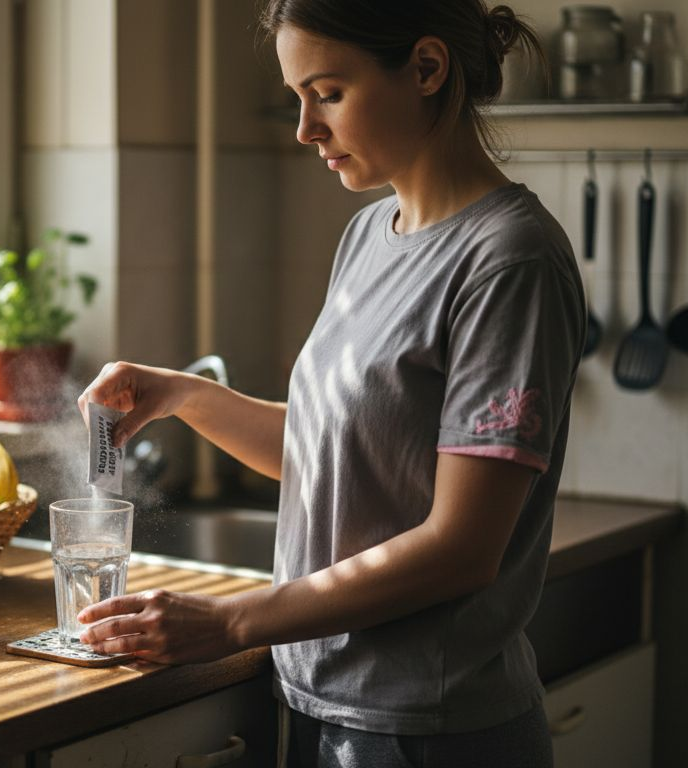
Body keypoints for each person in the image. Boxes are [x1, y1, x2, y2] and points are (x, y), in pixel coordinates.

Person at [76, 1, 585, 765]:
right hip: (323, 702)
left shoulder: (508, 260)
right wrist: (185, 395)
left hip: (431, 730)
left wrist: (231, 622)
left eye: (329, 92)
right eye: (298, 97)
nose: (305, 129)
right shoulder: (369, 236)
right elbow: (342, 456)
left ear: (425, 68)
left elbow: (462, 549)